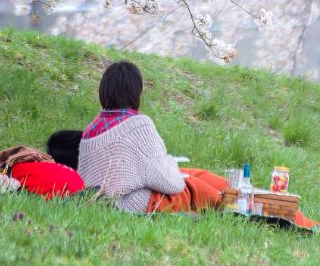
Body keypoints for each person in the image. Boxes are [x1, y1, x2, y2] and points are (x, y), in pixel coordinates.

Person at [77, 61, 227, 214]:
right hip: (132, 201)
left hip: (103, 198)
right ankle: (232, 204)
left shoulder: (91, 129)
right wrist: (170, 162)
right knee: (192, 186)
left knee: (196, 174)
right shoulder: (138, 125)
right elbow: (172, 185)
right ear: (136, 93)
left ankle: (231, 189)